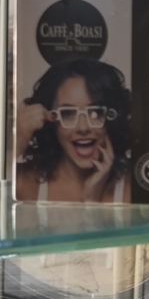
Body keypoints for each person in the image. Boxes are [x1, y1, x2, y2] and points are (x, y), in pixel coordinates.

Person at [14, 58, 132, 203]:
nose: (83, 128)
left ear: (112, 117)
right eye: (68, 113)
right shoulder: (23, 183)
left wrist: (92, 202)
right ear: (49, 119)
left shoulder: (131, 189)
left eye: (96, 112)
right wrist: (16, 144)